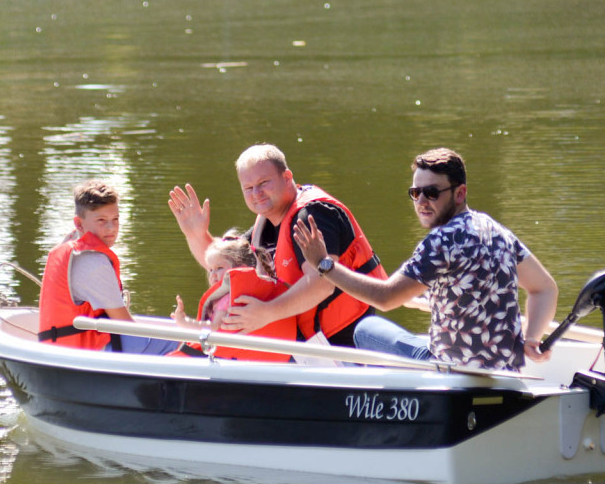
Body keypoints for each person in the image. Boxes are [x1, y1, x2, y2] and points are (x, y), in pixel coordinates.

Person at [292, 148, 558, 372]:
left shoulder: (441, 242)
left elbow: (386, 298)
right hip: (505, 373)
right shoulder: (498, 233)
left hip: (452, 373)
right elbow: (544, 288)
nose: (421, 201)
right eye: (415, 193)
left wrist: (324, 264)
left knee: (366, 328)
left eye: (431, 193)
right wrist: (531, 337)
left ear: (460, 193)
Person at [168, 144, 387, 347]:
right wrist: (196, 234)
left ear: (287, 177)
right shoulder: (265, 226)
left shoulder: (313, 215)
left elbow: (322, 284)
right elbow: (222, 269)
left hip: (338, 348)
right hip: (301, 346)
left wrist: (266, 313)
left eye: (263, 183)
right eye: (249, 188)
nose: (256, 193)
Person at [38, 179, 180, 355]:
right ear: (79, 223)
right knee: (182, 341)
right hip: (86, 351)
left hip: (60, 345)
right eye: (101, 220)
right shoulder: (92, 261)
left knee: (172, 333)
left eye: (115, 219)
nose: (111, 228)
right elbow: (125, 325)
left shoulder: (69, 243)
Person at [169, 232, 295, 362]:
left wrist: (183, 322)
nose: (213, 274)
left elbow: (212, 328)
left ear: (242, 269)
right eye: (210, 270)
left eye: (219, 268)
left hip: (226, 360)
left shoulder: (227, 299)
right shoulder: (246, 293)